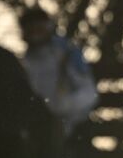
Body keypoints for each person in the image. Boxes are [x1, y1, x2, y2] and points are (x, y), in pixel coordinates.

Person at [19, 7, 99, 138]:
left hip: (70, 129)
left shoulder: (67, 54)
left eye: (38, 27)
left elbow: (90, 94)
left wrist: (61, 107)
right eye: (30, 29)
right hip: (34, 130)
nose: (34, 33)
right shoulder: (25, 62)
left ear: (48, 27)